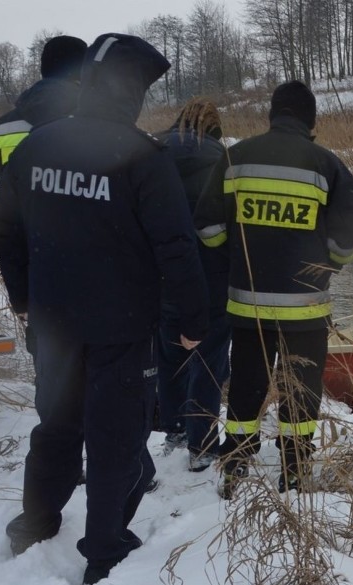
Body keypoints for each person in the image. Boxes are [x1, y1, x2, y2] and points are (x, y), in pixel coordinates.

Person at [0, 33, 209, 585]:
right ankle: (105, 550)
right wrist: (190, 322)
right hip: (121, 329)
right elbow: (176, 248)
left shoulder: (36, 146)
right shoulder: (140, 156)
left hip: (54, 326)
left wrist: (22, 297)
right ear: (131, 91)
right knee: (115, 438)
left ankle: (35, 524)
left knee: (57, 425)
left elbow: (5, 232)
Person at [194, 80, 353, 499]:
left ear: (272, 115)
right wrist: (332, 264)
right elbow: (352, 223)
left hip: (247, 305)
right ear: (311, 121)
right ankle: (294, 465)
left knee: (248, 381)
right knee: (300, 385)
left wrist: (234, 256)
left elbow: (207, 224)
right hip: (304, 309)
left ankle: (235, 460)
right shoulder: (326, 163)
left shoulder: (236, 158)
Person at [0, 35, 87, 359]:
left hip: (33, 263)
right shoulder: (97, 124)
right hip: (93, 260)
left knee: (51, 367)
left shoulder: (2, 129)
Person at [152, 98, 230, 472]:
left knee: (169, 354)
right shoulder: (223, 159)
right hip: (211, 274)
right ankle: (202, 445)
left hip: (162, 274)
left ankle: (174, 430)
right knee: (209, 359)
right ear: (214, 128)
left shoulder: (151, 151)